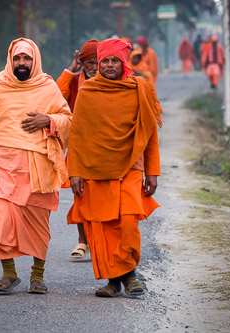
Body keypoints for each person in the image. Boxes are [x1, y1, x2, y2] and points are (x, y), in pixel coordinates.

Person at [0, 38, 72, 295]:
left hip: (38, 169)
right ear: (10, 60)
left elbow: (69, 119)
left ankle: (37, 275)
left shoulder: (47, 86)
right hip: (3, 167)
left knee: (38, 224)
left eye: (27, 58)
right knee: (2, 218)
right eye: (17, 58)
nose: (22, 63)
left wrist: (48, 119)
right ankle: (9, 273)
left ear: (35, 61)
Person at [67, 38, 162, 297]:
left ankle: (130, 274)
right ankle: (113, 280)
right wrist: (74, 171)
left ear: (124, 63)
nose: (109, 66)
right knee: (104, 227)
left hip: (131, 166)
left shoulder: (140, 88)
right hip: (95, 169)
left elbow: (150, 134)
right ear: (98, 64)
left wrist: (152, 171)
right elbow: (77, 135)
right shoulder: (88, 92)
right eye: (105, 61)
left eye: (114, 61)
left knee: (128, 222)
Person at [55, 39, 99, 260]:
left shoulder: (113, 82)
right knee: (79, 194)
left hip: (106, 150)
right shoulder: (74, 82)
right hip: (79, 148)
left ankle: (99, 241)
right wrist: (70, 72)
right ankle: (82, 242)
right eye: (90, 62)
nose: (95, 67)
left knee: (103, 196)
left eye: (98, 62)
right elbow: (54, 98)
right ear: (82, 63)